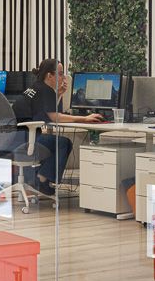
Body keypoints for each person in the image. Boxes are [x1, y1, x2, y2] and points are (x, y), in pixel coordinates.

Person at [12, 57, 104, 196]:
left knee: (57, 142)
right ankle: (42, 179)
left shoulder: (35, 87)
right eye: (60, 74)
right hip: (26, 139)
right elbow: (55, 117)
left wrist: (59, 94)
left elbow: (49, 110)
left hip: (17, 137)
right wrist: (85, 118)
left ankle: (41, 178)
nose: (63, 77)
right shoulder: (46, 90)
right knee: (63, 143)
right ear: (50, 75)